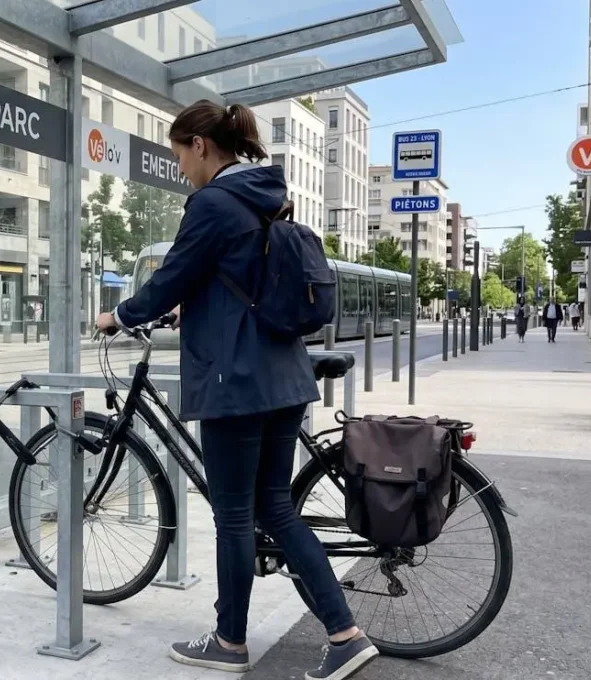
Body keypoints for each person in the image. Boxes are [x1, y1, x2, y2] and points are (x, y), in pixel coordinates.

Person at [96, 99, 375, 679]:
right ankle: (344, 634)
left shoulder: (212, 203)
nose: (180, 168)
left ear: (200, 146)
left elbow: (171, 276)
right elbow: (237, 278)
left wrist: (118, 315)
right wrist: (191, 309)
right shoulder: (263, 195)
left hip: (236, 382)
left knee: (233, 515)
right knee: (274, 507)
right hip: (283, 376)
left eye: (179, 154)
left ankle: (230, 642)